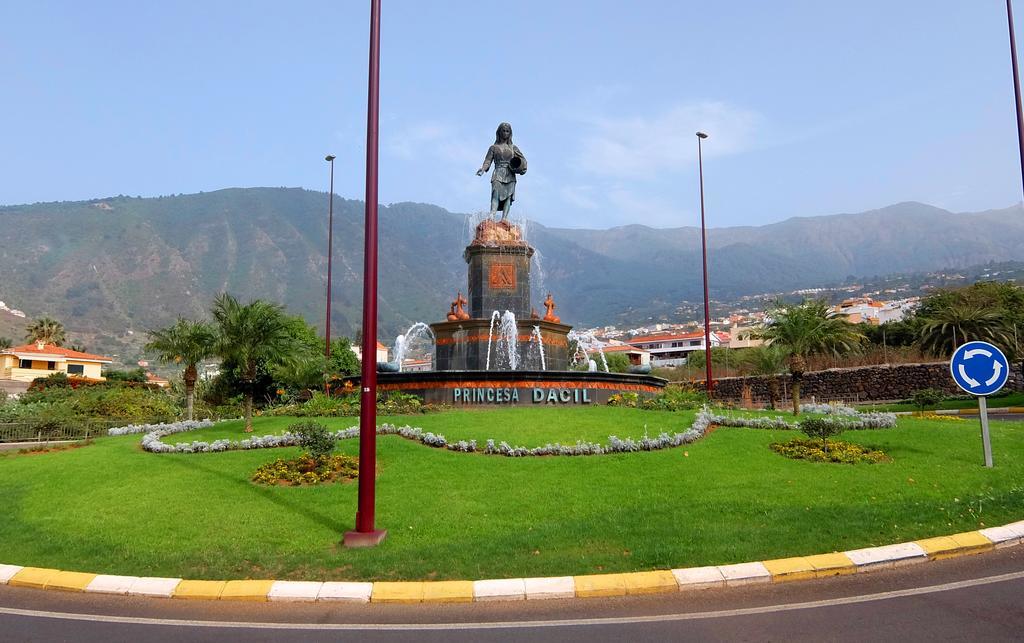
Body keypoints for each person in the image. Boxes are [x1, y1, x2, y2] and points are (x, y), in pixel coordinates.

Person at [476, 122, 526, 220]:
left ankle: (504, 219)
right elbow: (487, 161)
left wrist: (521, 167)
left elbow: (523, 160)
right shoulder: (493, 148)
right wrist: (482, 169)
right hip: (498, 172)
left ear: (510, 133)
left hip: (510, 174)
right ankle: (492, 215)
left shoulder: (513, 148)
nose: (505, 133)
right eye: (503, 130)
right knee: (495, 193)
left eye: (507, 131)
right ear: (499, 132)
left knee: (508, 197)